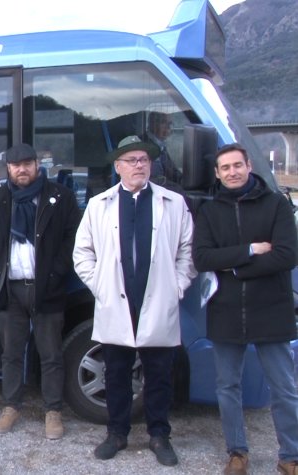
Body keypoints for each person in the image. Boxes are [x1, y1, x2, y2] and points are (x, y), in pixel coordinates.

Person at [73, 135, 196, 466]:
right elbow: (82, 253)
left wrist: (177, 287)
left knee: (158, 376)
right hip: (116, 303)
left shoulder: (173, 203)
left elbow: (187, 251)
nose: (138, 165)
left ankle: (159, 435)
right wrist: (100, 286)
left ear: (151, 164)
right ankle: (116, 434)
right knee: (116, 374)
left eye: (143, 159)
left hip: (158, 304)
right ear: (118, 167)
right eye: (131, 160)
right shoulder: (100, 204)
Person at [192, 143, 298, 475]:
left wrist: (235, 268)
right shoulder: (210, 212)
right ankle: (237, 452)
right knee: (227, 386)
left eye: (237, 165)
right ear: (217, 173)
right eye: (225, 168)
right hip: (225, 310)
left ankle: (290, 456)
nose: (232, 172)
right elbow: (203, 258)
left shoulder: (276, 204)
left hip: (271, 308)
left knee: (283, 387)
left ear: (249, 166)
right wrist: (251, 251)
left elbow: (286, 255)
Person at [0, 143, 80, 439]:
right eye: (15, 165)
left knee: (50, 354)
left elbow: (72, 239)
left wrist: (56, 274)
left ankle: (53, 412)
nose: (21, 169)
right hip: (10, 289)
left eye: (27, 163)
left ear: (37, 164)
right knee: (10, 353)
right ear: (7, 168)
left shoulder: (61, 197)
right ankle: (11, 407)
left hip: (46, 289)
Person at [146, 111, 182, 185]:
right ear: (153, 124)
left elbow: (174, 173)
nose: (168, 127)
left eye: (170, 124)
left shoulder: (161, 146)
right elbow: (155, 178)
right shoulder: (143, 145)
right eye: (164, 123)